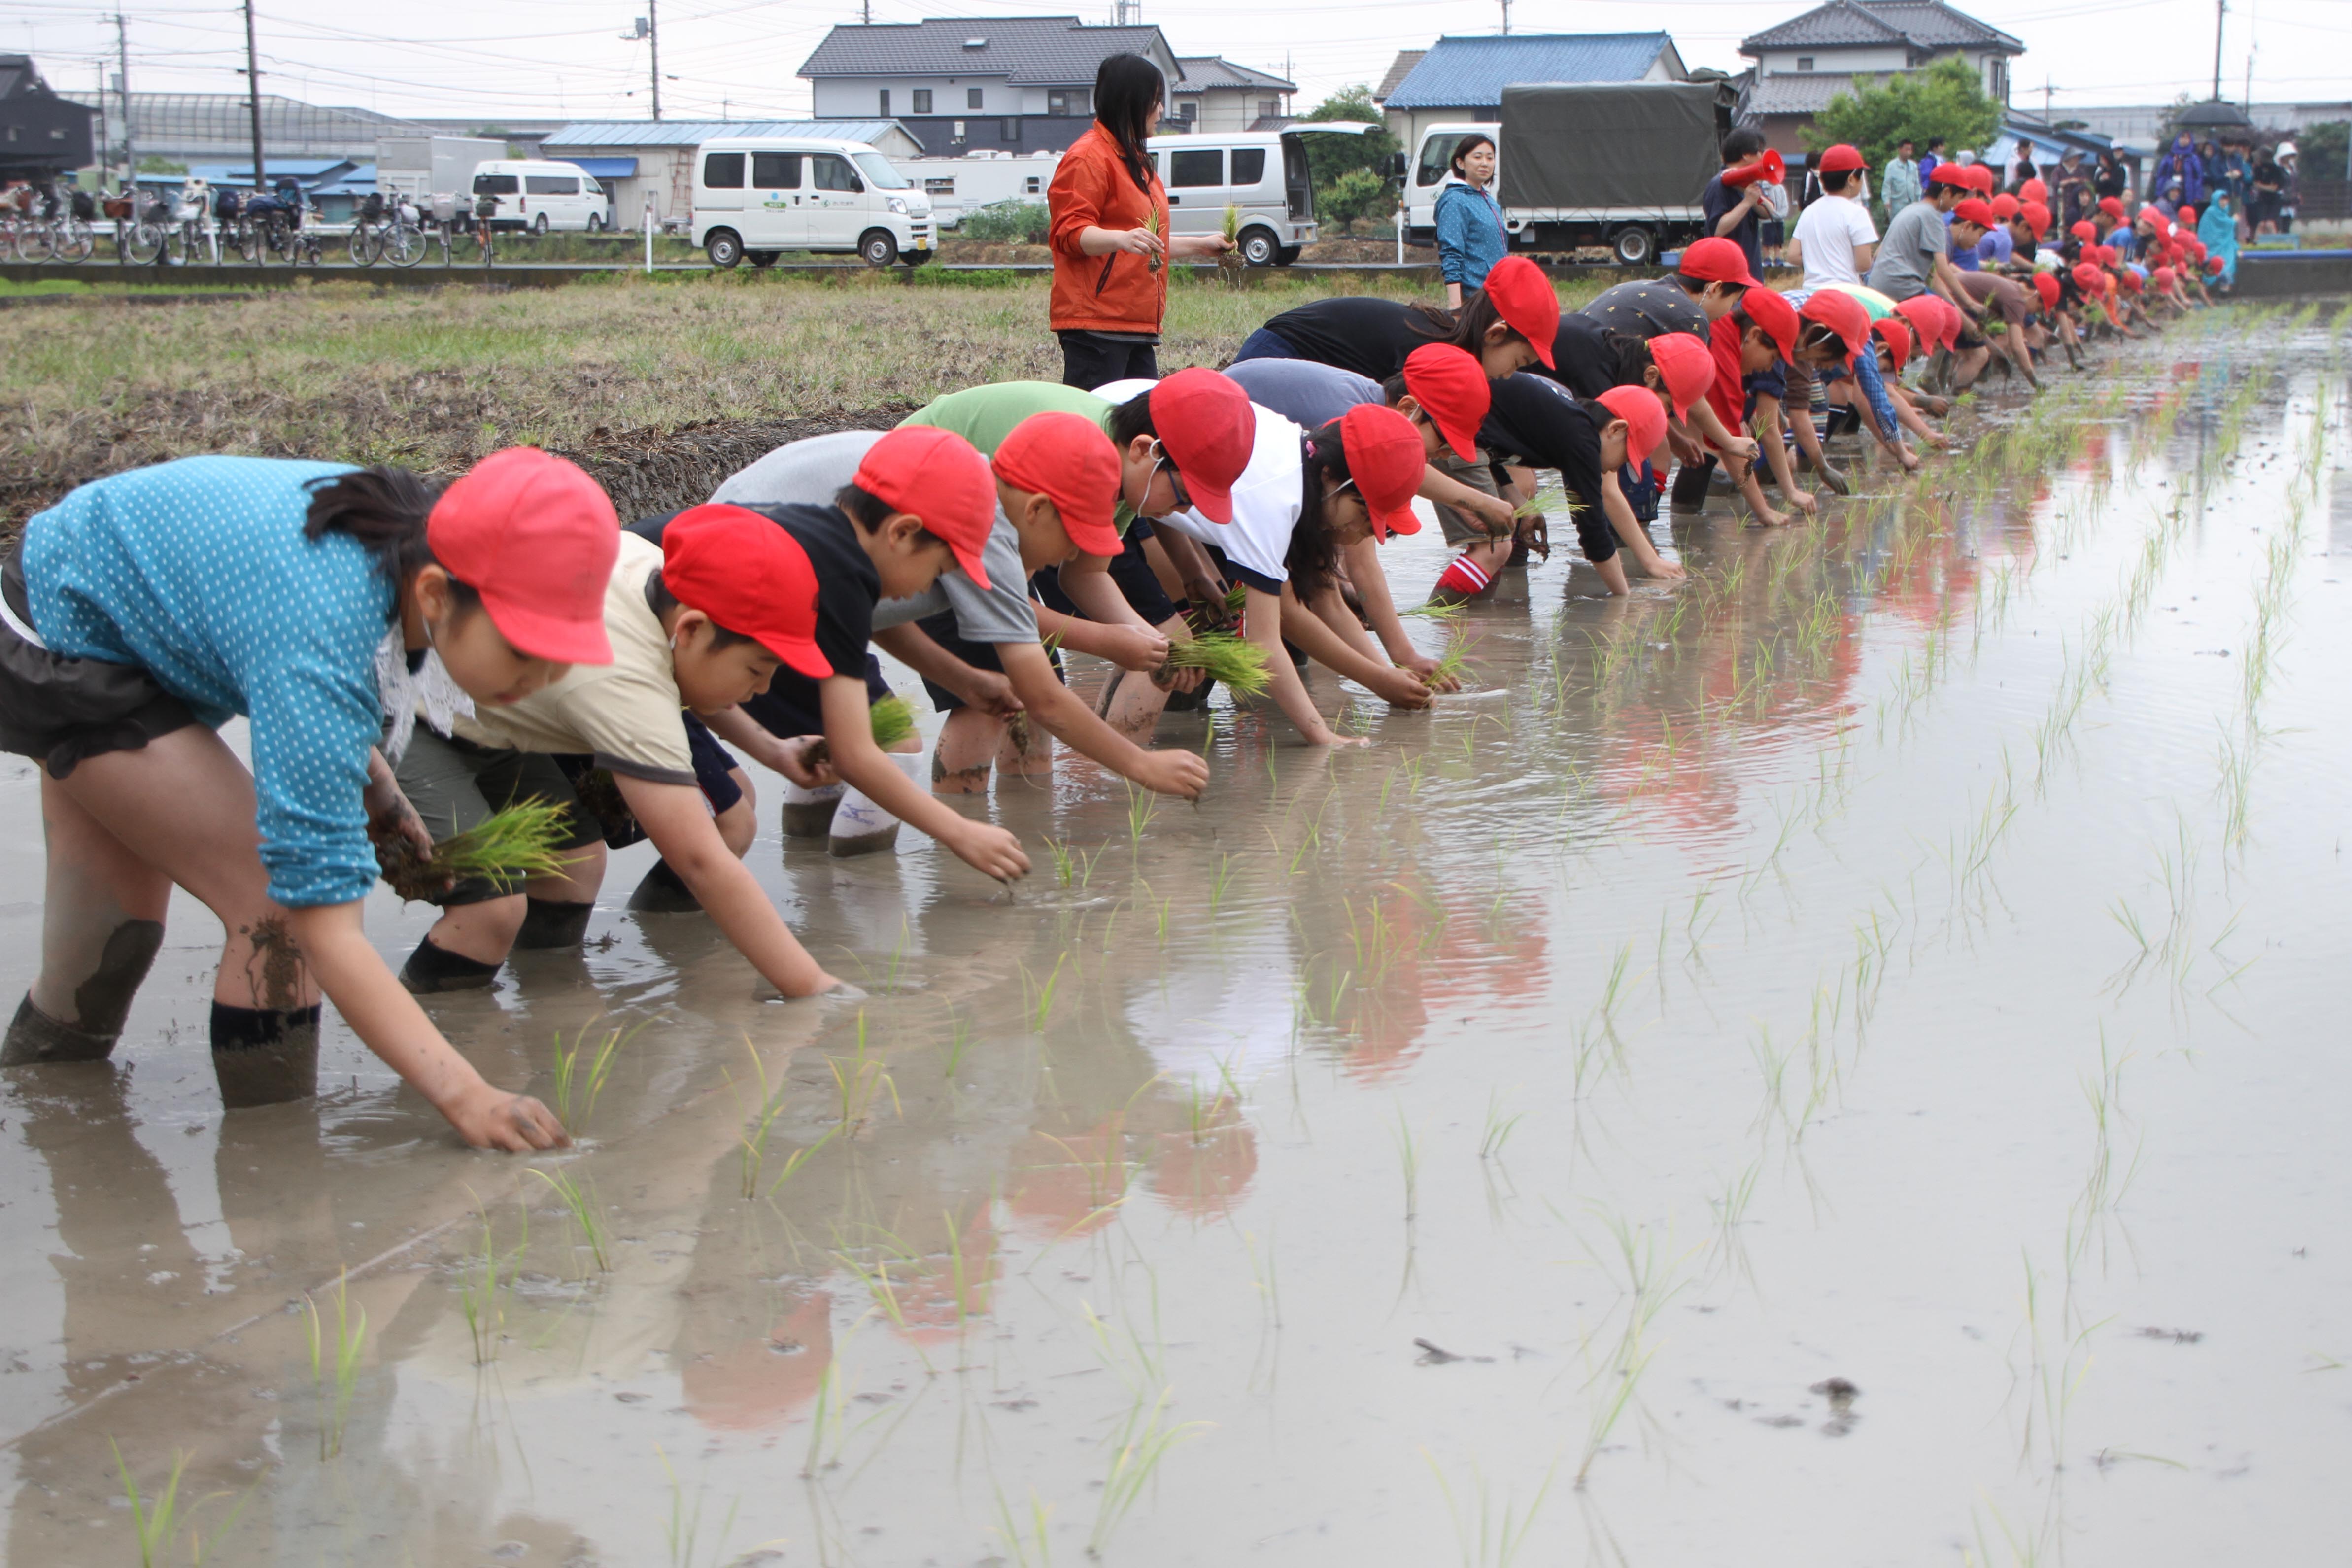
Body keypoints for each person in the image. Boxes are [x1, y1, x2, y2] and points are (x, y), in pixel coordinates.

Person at [0, 449, 623, 1150]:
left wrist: (380, 794)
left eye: (562, 650)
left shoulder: (408, 554)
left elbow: (321, 679)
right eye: (522, 648)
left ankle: (50, 1141)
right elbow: (321, 922)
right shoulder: (324, 626)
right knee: (274, 915)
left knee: (96, 960)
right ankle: (278, 1181)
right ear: (437, 596)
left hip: (119, 602)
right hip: (62, 634)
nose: (541, 677)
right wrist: (468, 1095)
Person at [397, 500, 871, 997]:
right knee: (490, 908)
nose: (762, 690)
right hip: (411, 714)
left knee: (573, 866)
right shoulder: (620, 681)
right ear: (691, 629)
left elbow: (689, 675)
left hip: (493, 717)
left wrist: (772, 749)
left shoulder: (655, 575)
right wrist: (811, 985)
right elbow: (699, 859)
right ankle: (438, 1037)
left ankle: (551, 1006)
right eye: (757, 669)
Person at [711, 409, 1223, 804]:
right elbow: (1043, 698)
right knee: (892, 749)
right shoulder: (983, 527)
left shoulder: (973, 496)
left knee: (844, 745)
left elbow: (873, 613)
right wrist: (1142, 766)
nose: (1072, 554)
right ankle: (911, 874)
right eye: (1073, 537)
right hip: (745, 578)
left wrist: (962, 678)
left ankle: (817, 878)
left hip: (752, 545)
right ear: (1038, 510)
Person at [1092, 394, 1433, 746]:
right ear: (1331, 477)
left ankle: (1113, 763)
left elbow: (1292, 606)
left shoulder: (1297, 460)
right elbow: (1265, 642)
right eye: (1364, 516)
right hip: (1114, 465)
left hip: (1141, 474)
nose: (1360, 533)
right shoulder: (1276, 501)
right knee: (1169, 640)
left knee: (1169, 636)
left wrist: (1194, 571)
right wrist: (1321, 735)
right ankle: (1119, 779)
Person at [1046, 53, 1231, 390]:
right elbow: (1068, 233)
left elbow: (1144, 241)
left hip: (1135, 323)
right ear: (1132, 101)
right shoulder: (1087, 158)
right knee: (1097, 427)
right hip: (1096, 324)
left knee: (1138, 425)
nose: (1161, 110)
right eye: (1156, 100)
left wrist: (1201, 246)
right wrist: (1119, 239)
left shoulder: (1136, 161)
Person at [1477, 378, 1675, 595]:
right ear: (1617, 429)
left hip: (1465, 439)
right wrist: (1624, 602)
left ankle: (1483, 618)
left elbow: (1493, 451)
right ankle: (1451, 618)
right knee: (1491, 549)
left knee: (1496, 544)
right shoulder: (1582, 442)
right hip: (1452, 433)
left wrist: (1519, 502)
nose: (1617, 468)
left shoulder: (1573, 420)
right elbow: (1593, 533)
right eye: (1626, 458)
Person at [1232, 254, 1559, 383]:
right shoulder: (1430, 354)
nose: (1507, 376)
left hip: (1300, 365)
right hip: (1274, 357)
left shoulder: (1446, 340)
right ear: (1495, 335)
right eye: (1517, 363)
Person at [1584, 234, 1755, 341]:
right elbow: (1687, 393)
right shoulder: (1691, 318)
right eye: (1733, 302)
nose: (1730, 311)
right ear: (1715, 289)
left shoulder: (1647, 288)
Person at [1434, 133, 1509, 308]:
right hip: (1473, 299)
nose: (1485, 163)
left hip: (1495, 296)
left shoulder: (1489, 200)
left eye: (1490, 158)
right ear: (1460, 163)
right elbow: (1451, 253)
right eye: (1478, 157)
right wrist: (1456, 307)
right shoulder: (1455, 200)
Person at [1788, 143, 1876, 289]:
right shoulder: (1857, 213)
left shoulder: (1808, 212)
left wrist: (1819, 261)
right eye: (1860, 177)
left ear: (1822, 179)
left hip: (1812, 294)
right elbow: (1863, 264)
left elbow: (1793, 255)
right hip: (1845, 293)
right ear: (1852, 180)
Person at [1702, 128, 1772, 282]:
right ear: (1746, 155)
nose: (1762, 156)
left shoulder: (1748, 183)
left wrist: (1752, 195)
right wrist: (1747, 202)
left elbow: (1769, 212)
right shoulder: (1718, 185)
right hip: (1728, 278)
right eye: (1760, 151)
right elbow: (1717, 231)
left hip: (1751, 274)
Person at [2198, 189, 2240, 286]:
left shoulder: (2224, 213)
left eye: (2226, 200)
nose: (2224, 202)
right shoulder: (2211, 212)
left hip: (2224, 246)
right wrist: (2233, 221)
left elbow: (2227, 232)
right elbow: (2224, 225)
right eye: (2221, 200)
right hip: (2212, 247)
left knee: (2228, 263)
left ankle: (2224, 291)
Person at [2154, 133, 2205, 207]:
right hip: (2170, 191)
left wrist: (2197, 195)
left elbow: (2198, 177)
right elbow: (2162, 176)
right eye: (2182, 138)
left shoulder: (2193, 158)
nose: (2184, 140)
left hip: (2187, 193)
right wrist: (2160, 192)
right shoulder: (2169, 157)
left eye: (2187, 138)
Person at [1881, 138, 1922, 224]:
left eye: (1910, 149)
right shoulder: (1891, 166)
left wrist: (1919, 199)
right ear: (1900, 150)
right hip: (1897, 203)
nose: (1908, 152)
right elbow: (1887, 185)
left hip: (1911, 203)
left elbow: (1917, 184)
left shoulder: (1913, 166)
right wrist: (1887, 201)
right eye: (1906, 149)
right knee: (1897, 225)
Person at [2248, 146, 2285, 235]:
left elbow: (2275, 188)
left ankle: (2275, 245)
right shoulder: (2258, 169)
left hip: (2275, 200)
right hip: (2262, 199)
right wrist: (2268, 187)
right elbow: (2256, 185)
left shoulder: (2277, 170)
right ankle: (2257, 245)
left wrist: (2263, 186)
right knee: (2261, 224)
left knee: (2270, 224)